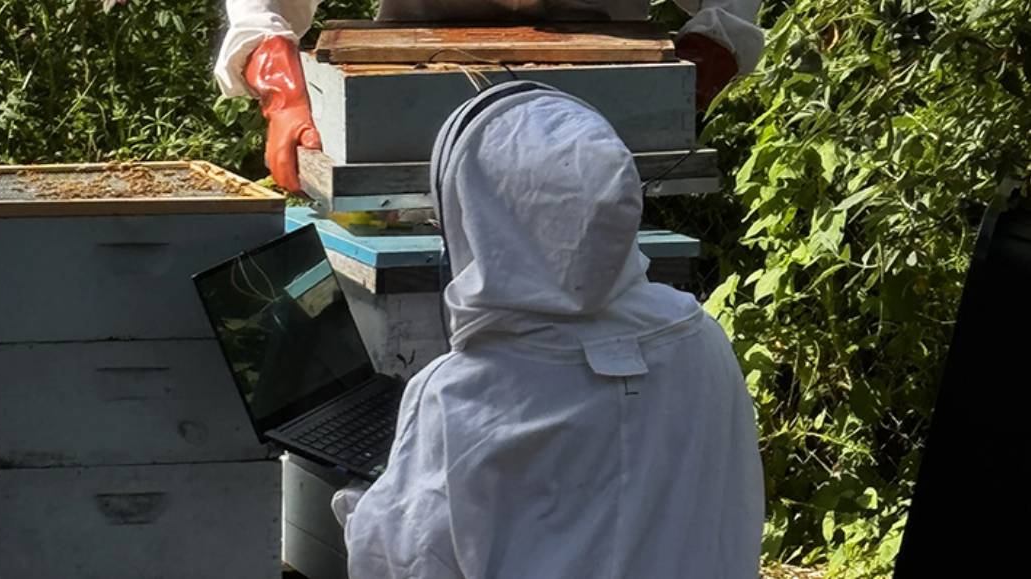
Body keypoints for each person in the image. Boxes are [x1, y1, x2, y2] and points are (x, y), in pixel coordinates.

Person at [327, 83, 765, 577]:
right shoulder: (701, 339)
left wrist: (361, 509)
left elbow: (403, 564)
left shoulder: (460, 395)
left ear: (476, 212)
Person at [214, 1, 765, 192]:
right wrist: (282, 88)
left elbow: (731, 11)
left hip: (600, 126)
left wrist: (694, 71)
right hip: (413, 99)